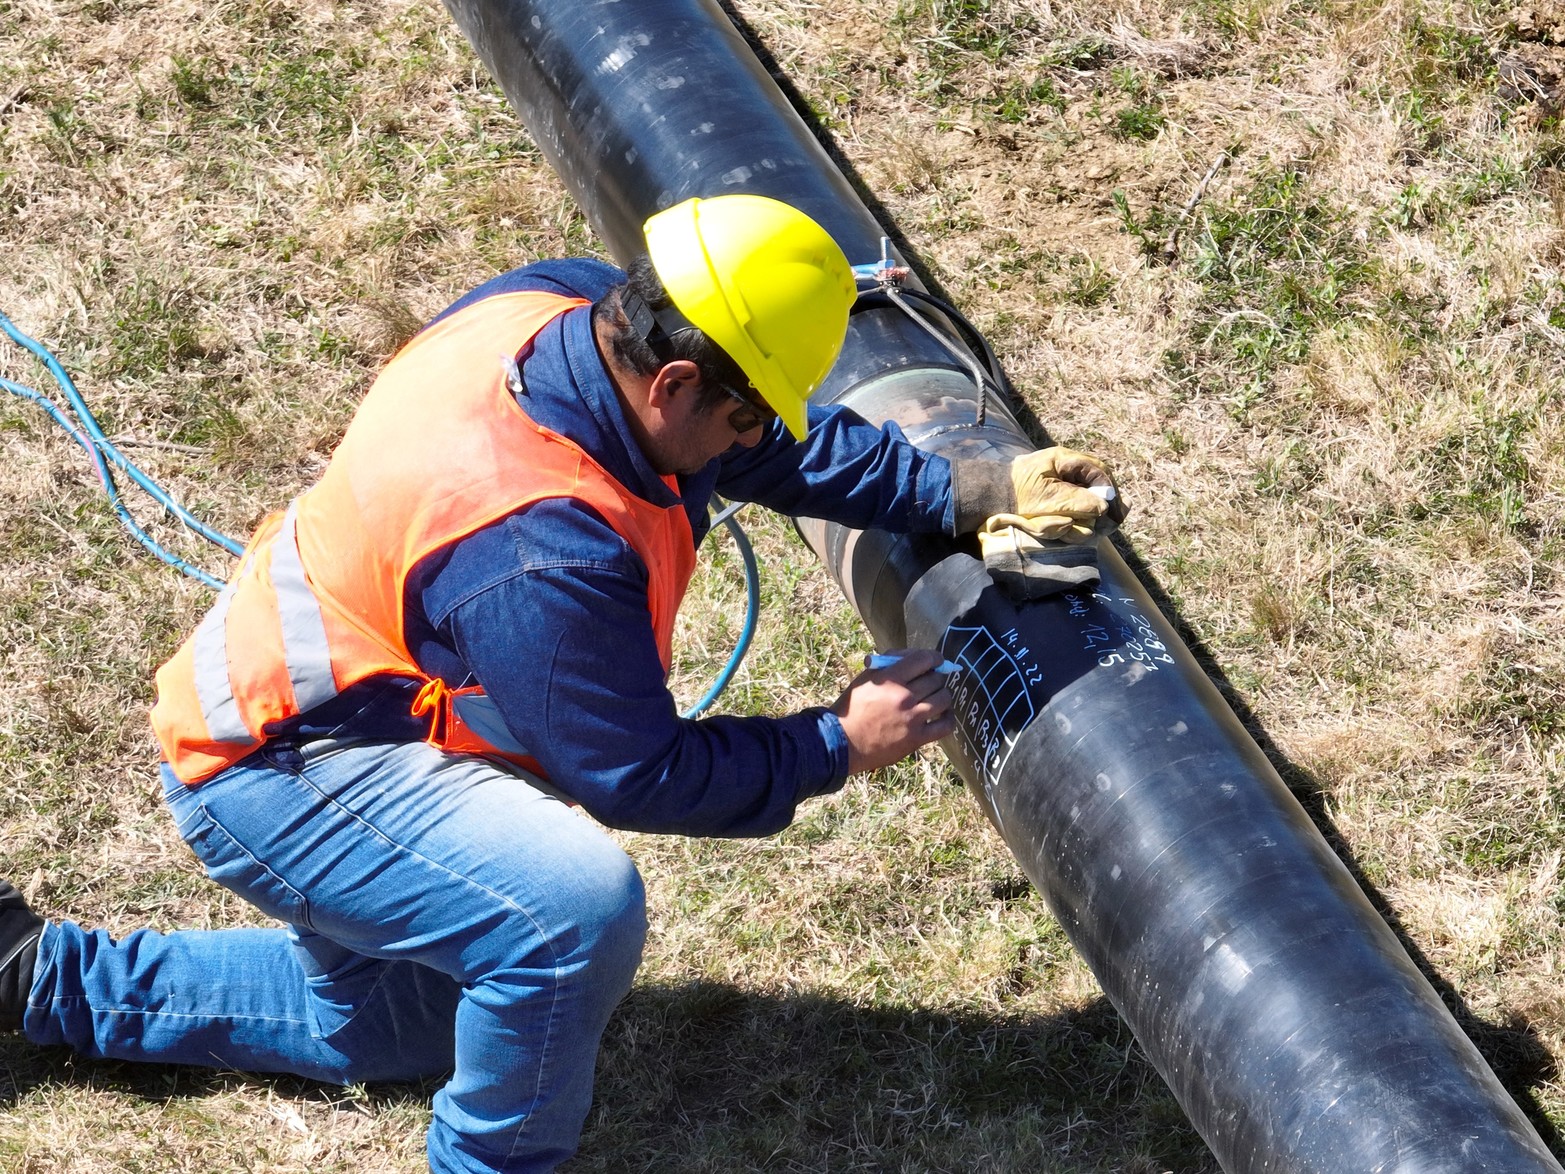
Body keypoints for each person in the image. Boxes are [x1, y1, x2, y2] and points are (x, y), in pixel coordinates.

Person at [0, 194, 1122, 1172]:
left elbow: (767, 446)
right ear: (675, 381)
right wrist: (836, 739)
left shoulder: (567, 306)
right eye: (742, 411)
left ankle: (34, 977)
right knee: (562, 920)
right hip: (281, 766)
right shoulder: (543, 545)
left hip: (329, 693)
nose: (751, 438)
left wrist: (961, 488)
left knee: (401, 1027)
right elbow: (636, 769)